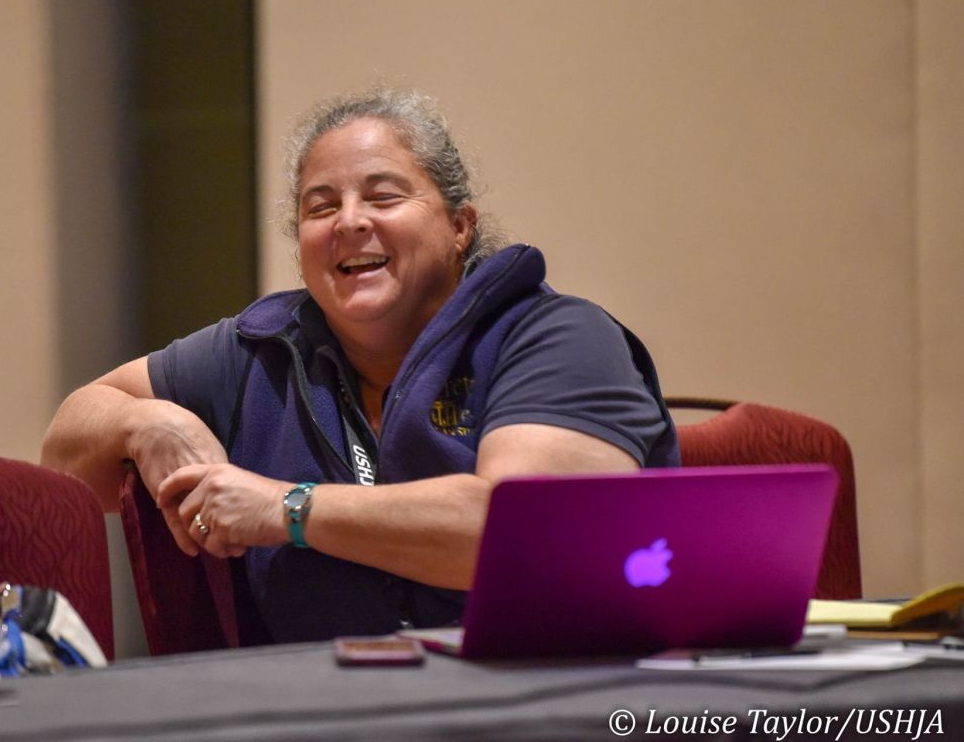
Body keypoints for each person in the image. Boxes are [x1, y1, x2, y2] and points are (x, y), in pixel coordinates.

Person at [41, 88, 679, 642]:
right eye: (320, 207)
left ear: (460, 226)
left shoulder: (557, 337)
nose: (349, 222)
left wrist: (289, 509)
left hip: (544, 699)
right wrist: (147, 424)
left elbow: (532, 537)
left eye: (383, 196)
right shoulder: (261, 350)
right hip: (315, 709)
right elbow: (65, 458)